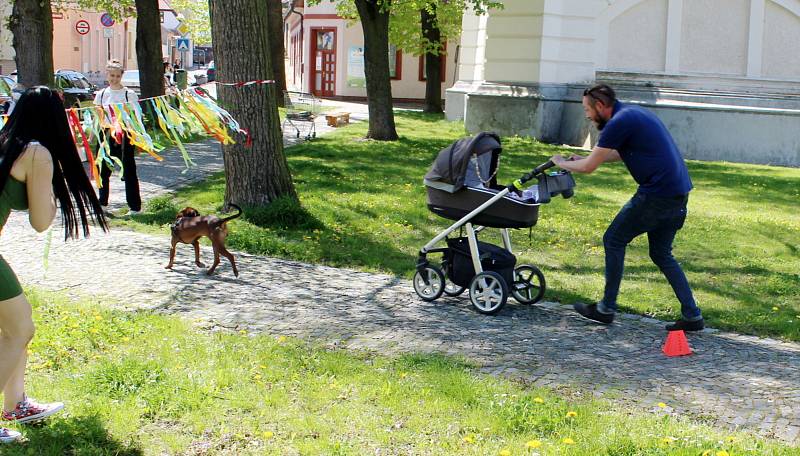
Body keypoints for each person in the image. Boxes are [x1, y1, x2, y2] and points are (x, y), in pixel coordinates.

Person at [0, 86, 107, 443]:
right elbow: (41, 222)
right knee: (20, 329)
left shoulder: (6, 141)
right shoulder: (36, 153)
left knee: (12, 330)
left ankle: (16, 403)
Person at [551, 84, 703, 332]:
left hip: (655, 196)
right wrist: (586, 159)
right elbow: (622, 154)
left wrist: (561, 162)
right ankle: (692, 315)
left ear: (600, 106)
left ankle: (605, 309)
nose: (587, 116)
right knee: (662, 254)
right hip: (678, 194)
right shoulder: (633, 114)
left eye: (587, 110)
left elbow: (590, 168)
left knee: (613, 239)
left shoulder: (618, 122)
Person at [94, 59, 142, 216]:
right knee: (103, 170)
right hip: (106, 135)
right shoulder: (101, 95)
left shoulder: (129, 94)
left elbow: (136, 117)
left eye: (117, 76)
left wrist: (138, 138)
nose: (114, 78)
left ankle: (134, 207)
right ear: (107, 75)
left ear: (121, 76)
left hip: (125, 135)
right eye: (111, 75)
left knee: (129, 170)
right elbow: (97, 117)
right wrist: (91, 136)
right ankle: (102, 203)